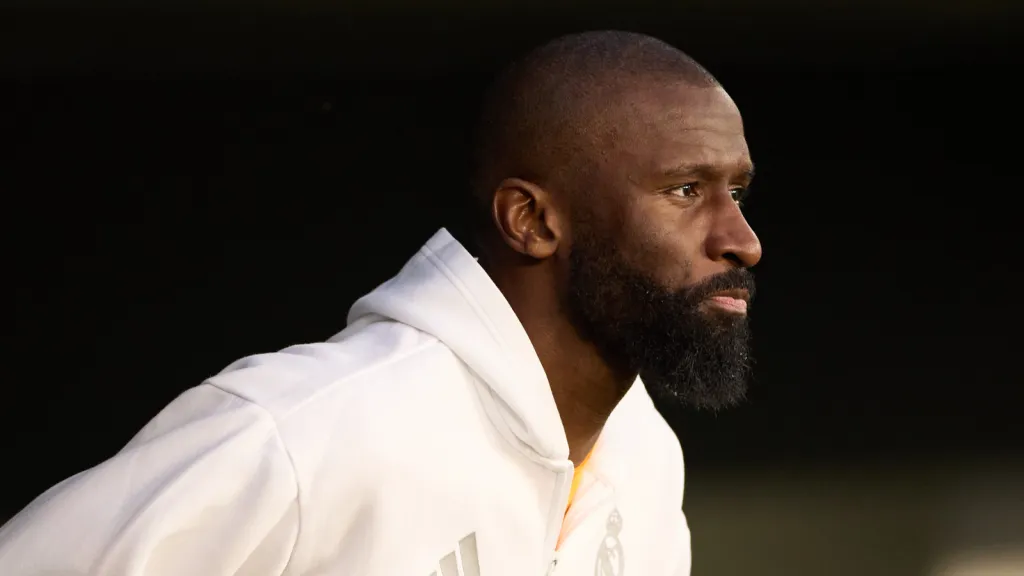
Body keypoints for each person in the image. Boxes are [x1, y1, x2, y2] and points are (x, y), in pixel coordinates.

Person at [0, 30, 761, 576]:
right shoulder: (310, 429)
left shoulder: (644, 458)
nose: (743, 241)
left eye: (737, 192)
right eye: (684, 190)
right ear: (531, 220)